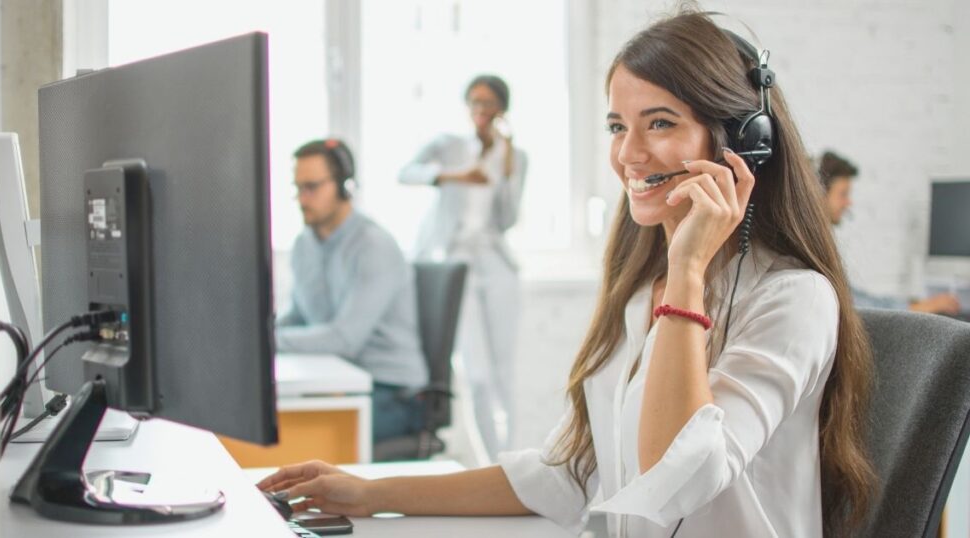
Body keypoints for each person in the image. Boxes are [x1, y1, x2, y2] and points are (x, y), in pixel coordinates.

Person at [259, 12, 876, 537]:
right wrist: (370, 494)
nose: (628, 154)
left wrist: (688, 268)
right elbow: (567, 474)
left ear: (743, 143)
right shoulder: (640, 294)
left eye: (660, 122)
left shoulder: (793, 299)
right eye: (617, 126)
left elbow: (676, 480)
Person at [398, 74, 528, 459]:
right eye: (474, 102)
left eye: (488, 103)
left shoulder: (515, 156)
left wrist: (507, 171)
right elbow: (405, 173)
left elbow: (507, 219)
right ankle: (490, 462)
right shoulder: (449, 145)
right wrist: (453, 176)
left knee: (504, 373)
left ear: (502, 109)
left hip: (495, 262)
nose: (480, 110)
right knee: (477, 374)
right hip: (455, 261)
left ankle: (509, 461)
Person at [276, 138, 428, 446]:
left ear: (345, 186)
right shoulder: (304, 244)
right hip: (339, 382)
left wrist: (268, 342)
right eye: (298, 188)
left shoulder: (373, 246)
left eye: (312, 187)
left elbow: (344, 340)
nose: (302, 199)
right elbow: (299, 317)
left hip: (392, 393)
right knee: (273, 418)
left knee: (293, 436)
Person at [819, 150, 961, 314]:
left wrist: (912, 305)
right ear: (819, 194)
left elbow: (854, 296)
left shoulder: (823, 241)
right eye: (843, 194)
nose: (848, 202)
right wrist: (921, 308)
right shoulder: (815, 247)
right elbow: (857, 306)